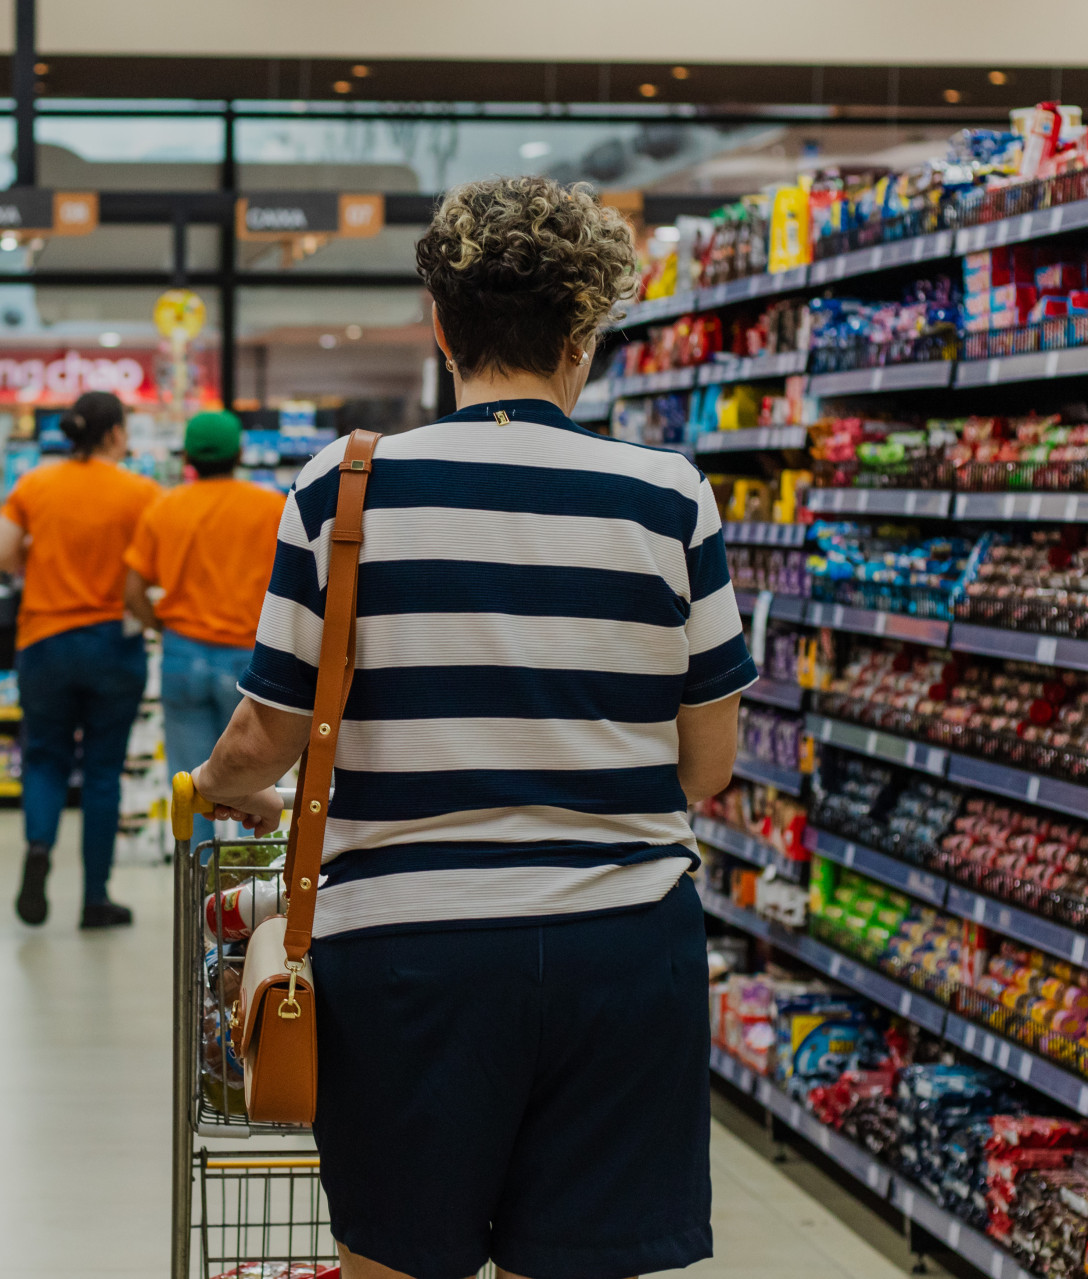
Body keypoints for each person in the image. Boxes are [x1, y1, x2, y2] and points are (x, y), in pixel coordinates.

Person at [191, 175, 753, 1279]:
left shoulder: (344, 489)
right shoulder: (670, 496)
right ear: (583, 337)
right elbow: (709, 766)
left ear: (439, 324)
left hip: (408, 960)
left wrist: (218, 784)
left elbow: (268, 731)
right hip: (624, 951)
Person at [0, 390, 160, 929]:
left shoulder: (35, 483)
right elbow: (156, 571)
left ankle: (39, 849)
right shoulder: (143, 492)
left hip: (45, 641)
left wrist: (35, 555)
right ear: (113, 434)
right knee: (104, 772)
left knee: (44, 757)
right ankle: (94, 898)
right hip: (113, 644)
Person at [123, 410, 286, 849]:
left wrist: (160, 626)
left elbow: (133, 588)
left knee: (192, 786)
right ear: (239, 453)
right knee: (260, 779)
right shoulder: (272, 507)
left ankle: (199, 896)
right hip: (253, 661)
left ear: (189, 457)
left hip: (182, 653)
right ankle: (251, 896)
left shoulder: (166, 506)